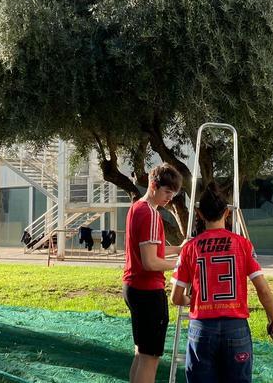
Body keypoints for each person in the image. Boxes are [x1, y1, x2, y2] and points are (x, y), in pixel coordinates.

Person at [171, 183, 273, 383]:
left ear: (199, 213)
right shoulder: (242, 244)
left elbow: (176, 297)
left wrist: (193, 299)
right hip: (235, 327)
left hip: (201, 329)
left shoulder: (189, 248)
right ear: (226, 213)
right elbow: (263, 290)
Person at [122, 163, 183, 383]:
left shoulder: (136, 207)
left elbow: (151, 249)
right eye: (167, 192)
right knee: (150, 358)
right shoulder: (150, 213)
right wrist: (180, 263)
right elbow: (150, 262)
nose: (170, 198)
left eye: (173, 193)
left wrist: (178, 248)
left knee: (141, 352)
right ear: (153, 185)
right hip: (147, 291)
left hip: (133, 287)